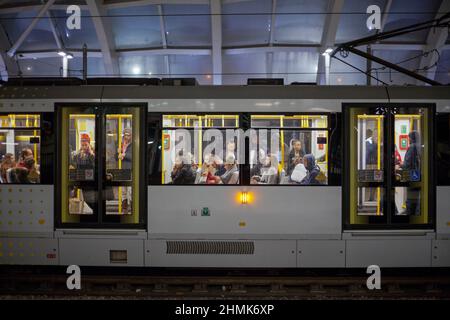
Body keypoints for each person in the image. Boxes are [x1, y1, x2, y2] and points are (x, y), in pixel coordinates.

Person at [401, 131, 421, 216]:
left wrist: (401, 165)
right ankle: (414, 213)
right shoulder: (419, 146)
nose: (408, 139)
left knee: (410, 196)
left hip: (411, 175)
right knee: (415, 196)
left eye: (409, 137)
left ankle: (409, 213)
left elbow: (407, 163)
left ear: (412, 138)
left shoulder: (412, 147)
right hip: (417, 174)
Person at [118, 127, 132, 214]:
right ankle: (124, 209)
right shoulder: (121, 144)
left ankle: (132, 209)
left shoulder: (133, 144)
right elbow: (117, 157)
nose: (126, 137)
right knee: (123, 191)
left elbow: (133, 156)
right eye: (125, 135)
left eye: (128, 135)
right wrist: (117, 153)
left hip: (130, 170)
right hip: (122, 170)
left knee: (130, 190)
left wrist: (124, 154)